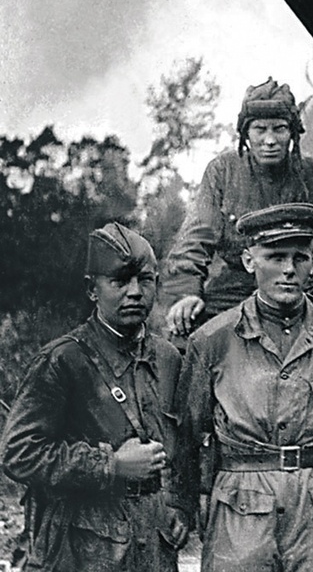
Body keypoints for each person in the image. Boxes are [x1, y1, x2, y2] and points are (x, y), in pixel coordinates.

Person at [175, 203, 313, 571]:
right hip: (241, 508)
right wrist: (187, 501)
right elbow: (188, 433)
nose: (289, 270)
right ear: (249, 261)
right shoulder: (213, 339)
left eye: (300, 258)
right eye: (276, 257)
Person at [1, 223, 188, 570]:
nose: (135, 292)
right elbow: (18, 453)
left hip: (152, 548)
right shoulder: (62, 361)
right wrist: (111, 465)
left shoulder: (168, 359)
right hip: (82, 549)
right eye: (120, 281)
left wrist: (179, 505)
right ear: (92, 289)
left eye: (145, 280)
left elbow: (183, 445)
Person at [161, 77, 313, 341]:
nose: (270, 140)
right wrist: (186, 293)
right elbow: (195, 239)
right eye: (260, 129)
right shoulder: (223, 171)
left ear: (293, 133)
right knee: (188, 327)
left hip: (301, 281)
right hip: (239, 283)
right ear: (245, 134)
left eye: (280, 129)